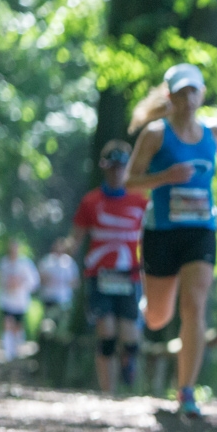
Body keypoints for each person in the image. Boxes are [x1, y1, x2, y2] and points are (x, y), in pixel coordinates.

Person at [127, 64, 217, 419]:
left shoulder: (214, 131)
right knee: (160, 318)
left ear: (201, 94)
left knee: (194, 304)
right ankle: (149, 306)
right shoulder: (155, 134)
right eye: (181, 92)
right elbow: (130, 181)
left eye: (194, 91)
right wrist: (166, 177)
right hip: (162, 231)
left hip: (200, 229)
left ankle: (187, 391)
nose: (188, 99)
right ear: (170, 97)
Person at [72, 140, 149, 394]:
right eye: (112, 166)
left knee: (130, 337)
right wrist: (64, 256)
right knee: (106, 333)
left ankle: (129, 366)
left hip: (130, 275)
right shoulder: (90, 201)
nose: (117, 172)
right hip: (99, 275)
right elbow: (77, 238)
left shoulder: (140, 201)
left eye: (121, 167)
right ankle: (108, 393)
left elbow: (149, 237)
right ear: (105, 167)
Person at [0, 239, 40, 362]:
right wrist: (7, 284)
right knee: (7, 324)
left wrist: (20, 283)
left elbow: (34, 282)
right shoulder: (4, 263)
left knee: (17, 327)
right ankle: (8, 352)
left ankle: (15, 349)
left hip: (20, 302)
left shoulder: (26, 264)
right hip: (5, 300)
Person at [37, 237, 80, 320]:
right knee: (48, 323)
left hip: (64, 300)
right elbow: (38, 278)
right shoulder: (46, 261)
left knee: (62, 325)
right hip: (49, 299)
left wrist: (65, 282)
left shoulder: (70, 262)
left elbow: (76, 282)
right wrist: (47, 279)